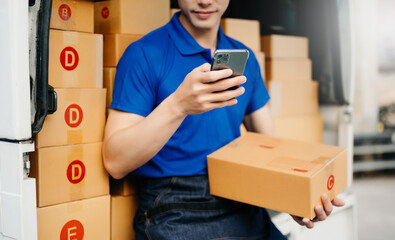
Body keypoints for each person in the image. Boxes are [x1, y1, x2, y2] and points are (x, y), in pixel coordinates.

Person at [103, 0, 345, 239]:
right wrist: (178, 105)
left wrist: (296, 196)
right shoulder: (144, 53)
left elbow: (270, 144)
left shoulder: (243, 58)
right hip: (172, 206)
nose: (205, 0)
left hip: (238, 196)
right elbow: (115, 162)